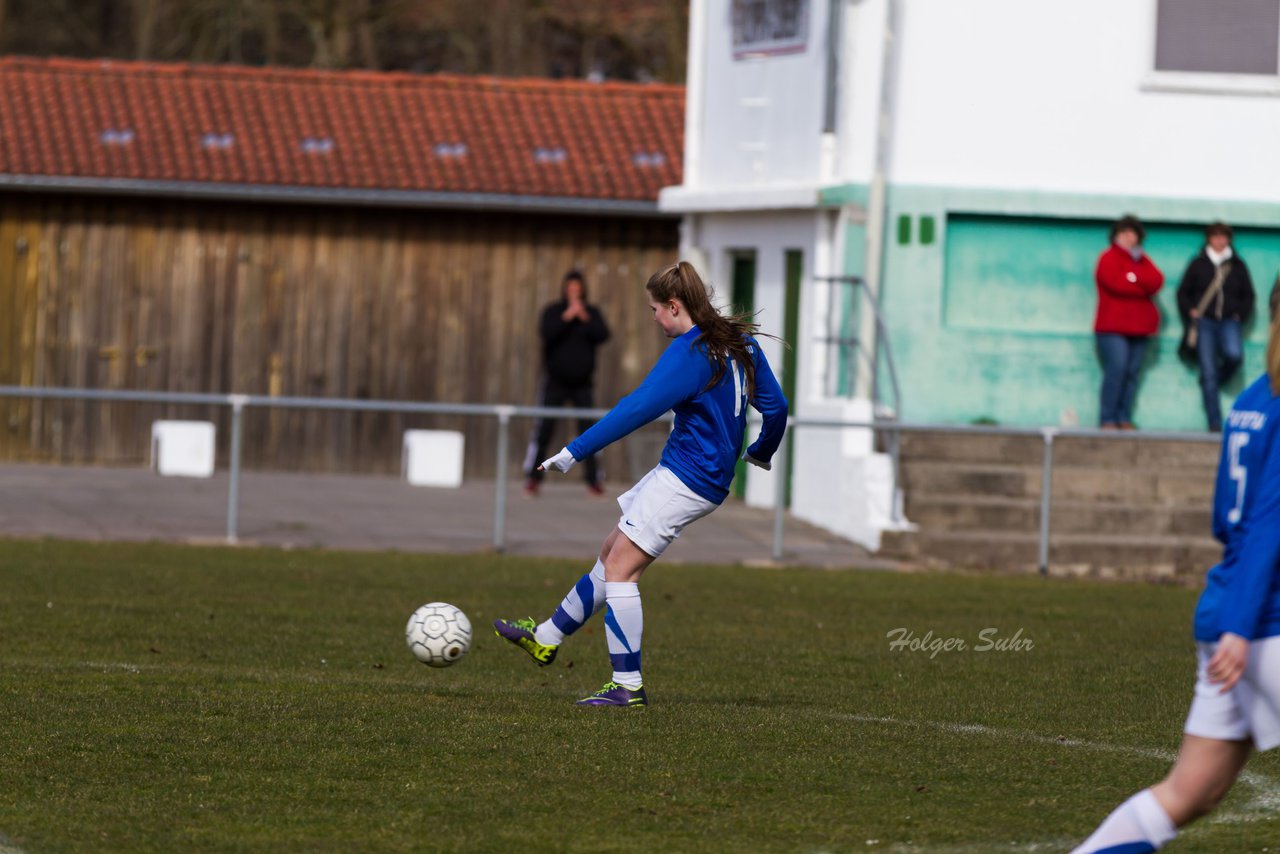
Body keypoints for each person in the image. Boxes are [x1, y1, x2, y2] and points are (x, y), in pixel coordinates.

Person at [494, 261, 789, 706]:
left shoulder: (690, 353)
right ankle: (546, 637)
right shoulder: (737, 341)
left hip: (688, 478)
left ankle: (627, 686)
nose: (652, 319)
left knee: (620, 571)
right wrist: (761, 451)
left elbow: (636, 409)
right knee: (611, 551)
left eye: (654, 309)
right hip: (690, 474)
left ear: (674, 306)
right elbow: (777, 406)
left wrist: (575, 451)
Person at [1070, 298, 1280, 853]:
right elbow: (1268, 526)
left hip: (1228, 615)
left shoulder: (1255, 396)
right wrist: (1240, 625)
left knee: (1192, 791)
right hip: (1260, 624)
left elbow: (1227, 521)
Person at [523, 270, 611, 497]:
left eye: (578, 289)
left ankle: (594, 481)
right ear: (564, 289)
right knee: (543, 431)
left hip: (583, 383)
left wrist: (584, 318)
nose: (574, 293)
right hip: (555, 381)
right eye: (570, 289)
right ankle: (533, 478)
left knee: (590, 432)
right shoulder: (554, 311)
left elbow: (603, 335)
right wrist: (566, 317)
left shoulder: (590, 313)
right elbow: (546, 332)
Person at [1177, 221, 1255, 432]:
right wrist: (1190, 311)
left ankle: (1211, 382)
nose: (1219, 240)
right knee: (1208, 369)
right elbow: (1183, 292)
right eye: (1215, 236)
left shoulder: (1237, 265)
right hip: (1205, 322)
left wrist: (1241, 314)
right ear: (1209, 238)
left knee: (1234, 355)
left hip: (1230, 321)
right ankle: (1214, 421)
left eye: (1223, 236)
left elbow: (1249, 295)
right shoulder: (1198, 263)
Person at [1094, 215, 1164, 430]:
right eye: (1124, 233)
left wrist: (1134, 276)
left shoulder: (1142, 260)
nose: (1129, 238)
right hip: (1112, 327)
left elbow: (1156, 281)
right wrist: (1138, 282)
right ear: (1116, 235)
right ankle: (1107, 418)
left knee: (1132, 373)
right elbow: (1116, 284)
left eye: (1133, 234)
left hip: (1140, 328)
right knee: (1117, 369)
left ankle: (1123, 416)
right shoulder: (1108, 257)